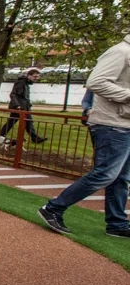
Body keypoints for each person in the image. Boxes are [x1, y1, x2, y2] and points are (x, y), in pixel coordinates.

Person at [38, 34, 130, 238]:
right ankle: (53, 208)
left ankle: (117, 223)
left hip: (123, 124)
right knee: (106, 174)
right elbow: (96, 82)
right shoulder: (121, 52)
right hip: (112, 124)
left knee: (121, 178)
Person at [0, 69, 47, 147]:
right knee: (22, 122)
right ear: (29, 75)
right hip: (20, 108)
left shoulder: (25, 83)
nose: (36, 78)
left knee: (17, 122)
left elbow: (24, 97)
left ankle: (0, 136)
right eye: (35, 76)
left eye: (37, 77)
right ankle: (35, 138)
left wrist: (27, 104)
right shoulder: (21, 83)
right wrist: (17, 106)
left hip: (24, 107)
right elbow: (13, 94)